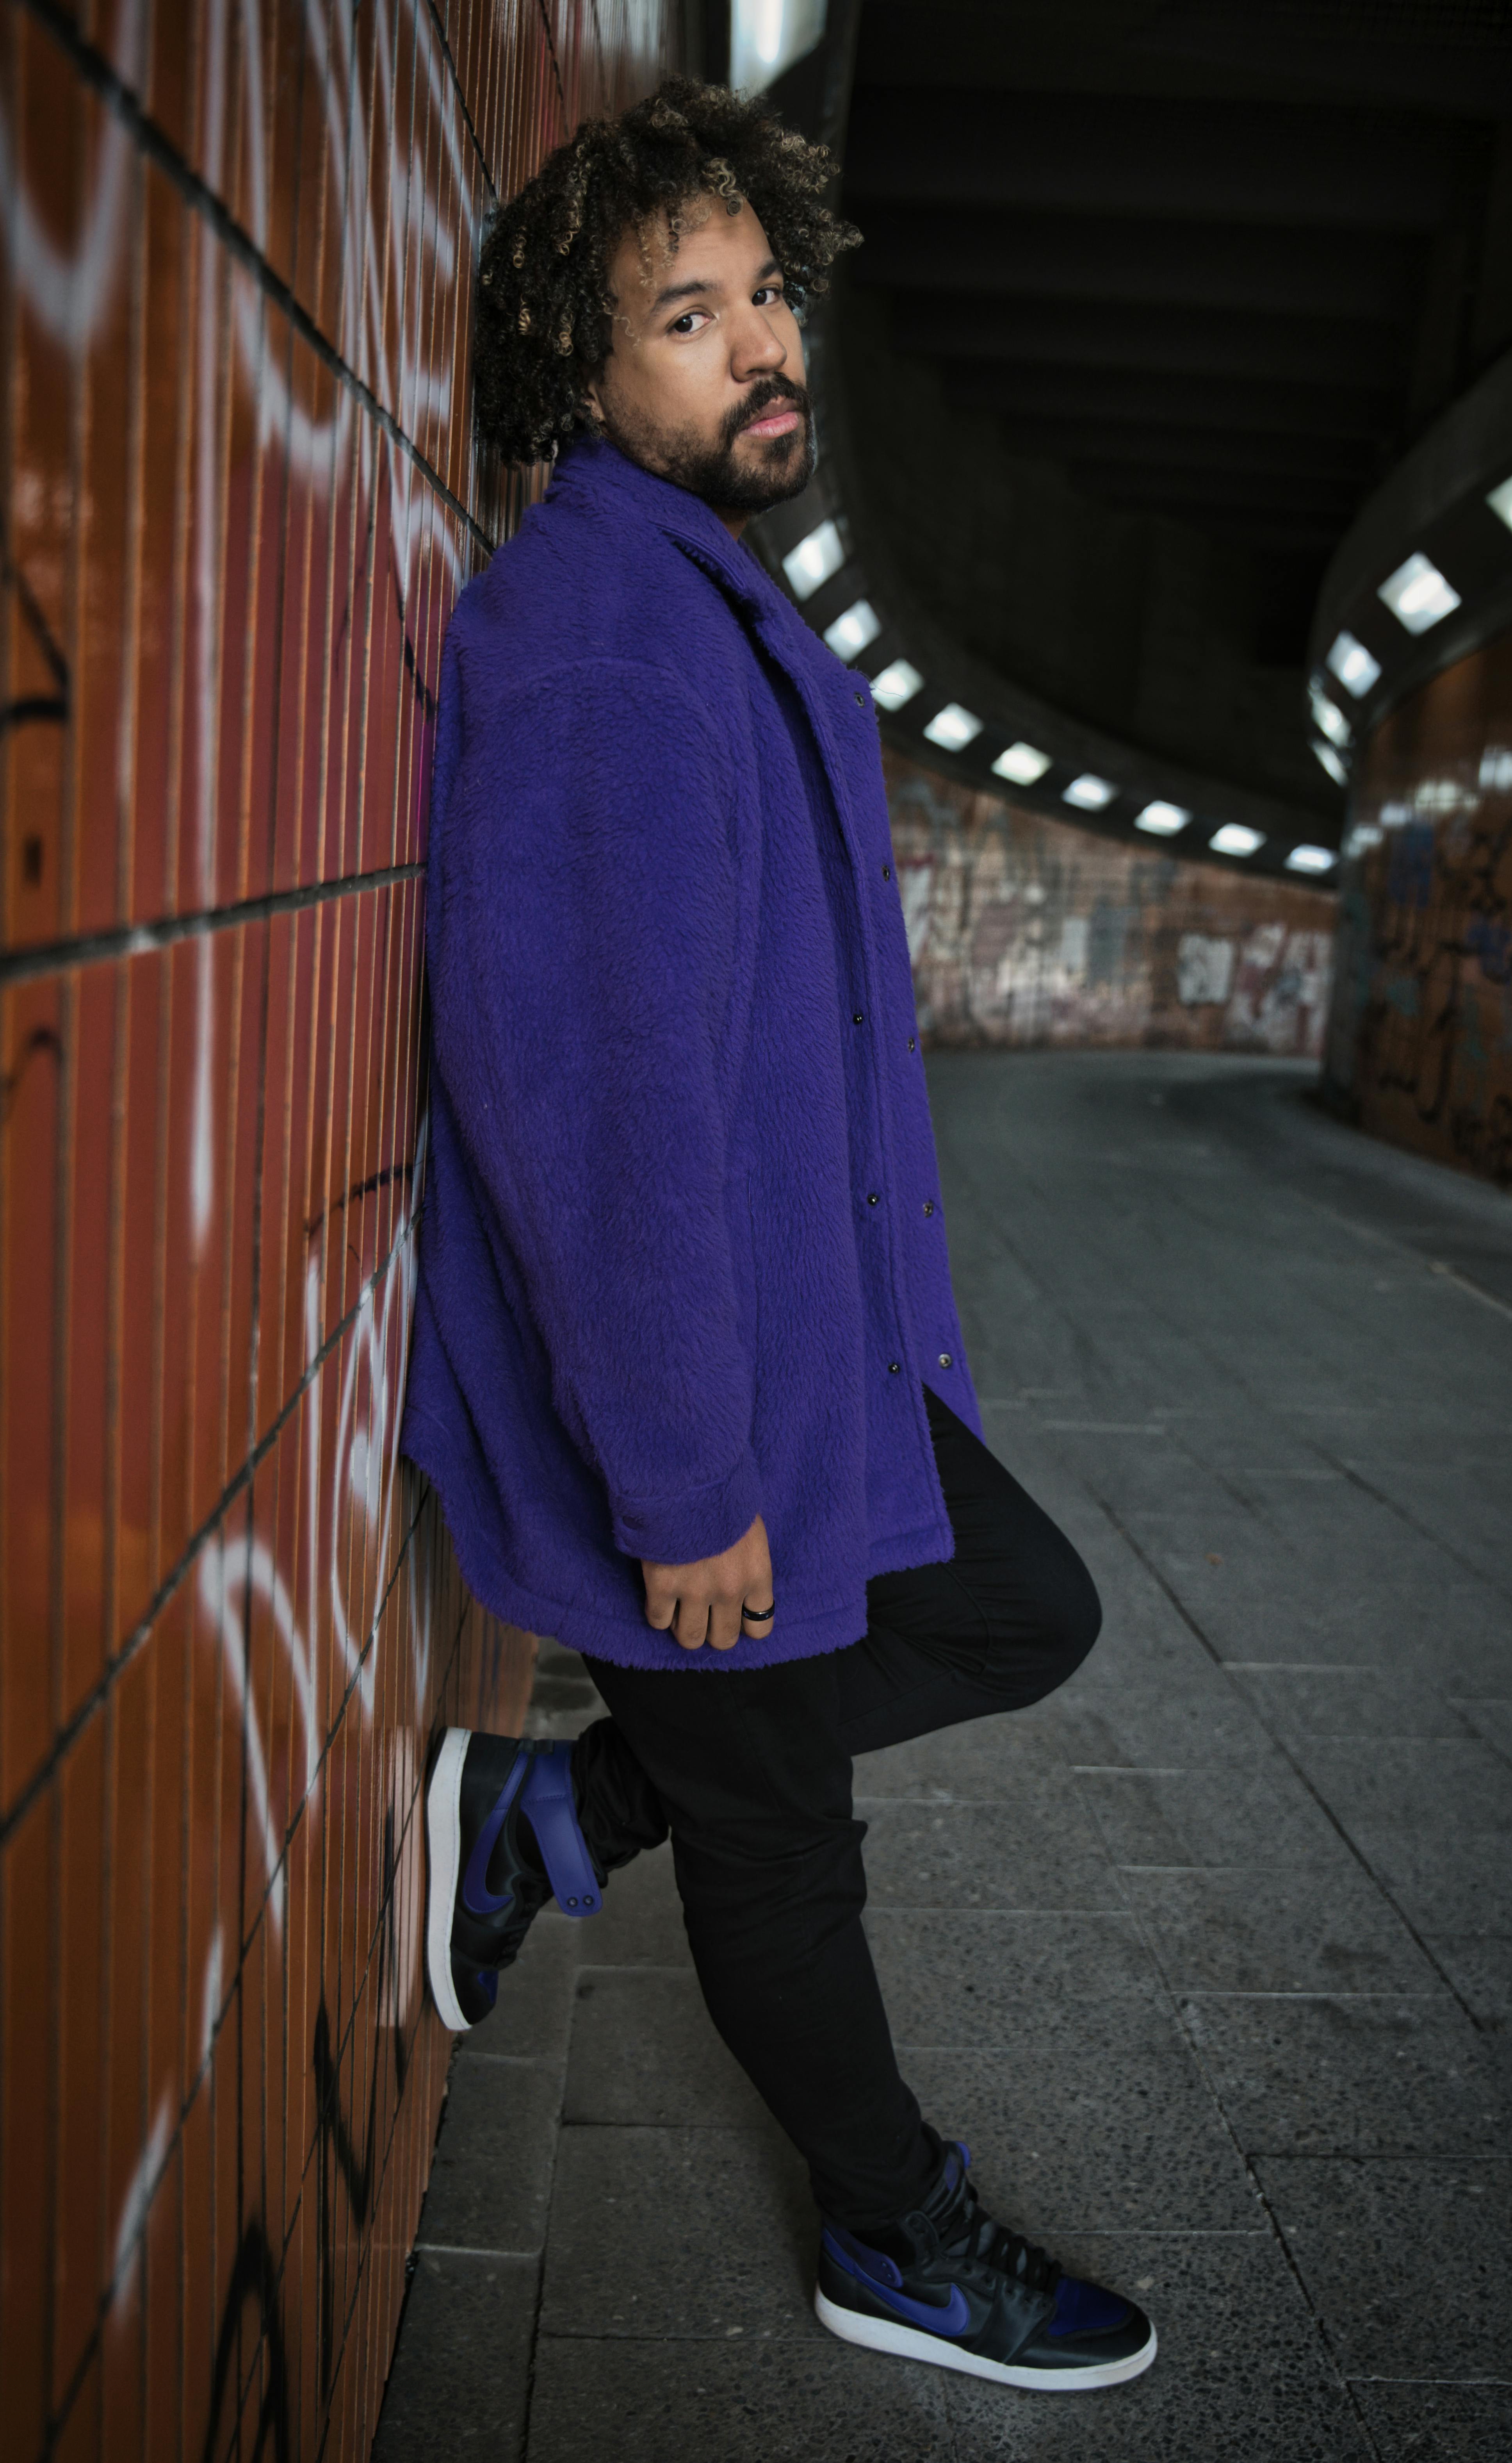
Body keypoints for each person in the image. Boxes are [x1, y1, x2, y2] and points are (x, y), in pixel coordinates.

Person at [402, 75, 1156, 2397]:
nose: (759, 351)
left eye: (769, 298)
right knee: (785, 1842)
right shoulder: (606, 644)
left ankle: (565, 1797)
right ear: (583, 370)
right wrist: (686, 1482)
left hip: (796, 1368)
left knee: (1018, 1600)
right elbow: (593, 1105)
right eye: (687, 315)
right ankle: (888, 2226)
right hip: (699, 1414)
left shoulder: (697, 608)